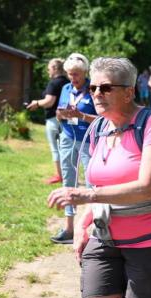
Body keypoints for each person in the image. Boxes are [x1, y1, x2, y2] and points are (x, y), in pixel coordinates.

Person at [48, 57, 151, 298]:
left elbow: (146, 187)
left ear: (129, 92)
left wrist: (85, 196)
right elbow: (100, 186)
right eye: (94, 88)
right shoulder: (99, 127)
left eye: (106, 88)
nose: (97, 93)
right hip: (105, 239)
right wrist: (83, 225)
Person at [51, 53, 98, 244]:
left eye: (76, 74)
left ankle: (88, 229)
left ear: (85, 72)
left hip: (88, 141)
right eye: (70, 74)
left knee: (91, 184)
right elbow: (58, 113)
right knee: (68, 182)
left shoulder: (94, 90)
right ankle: (69, 228)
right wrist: (61, 115)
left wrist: (81, 115)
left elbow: (103, 119)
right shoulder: (65, 88)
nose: (73, 78)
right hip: (67, 138)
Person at [27, 58, 69, 184]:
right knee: (67, 148)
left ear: (55, 69)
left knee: (55, 148)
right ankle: (69, 174)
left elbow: (49, 102)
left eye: (49, 68)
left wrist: (37, 103)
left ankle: (59, 175)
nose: (47, 71)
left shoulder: (54, 83)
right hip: (68, 119)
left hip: (54, 119)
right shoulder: (68, 82)